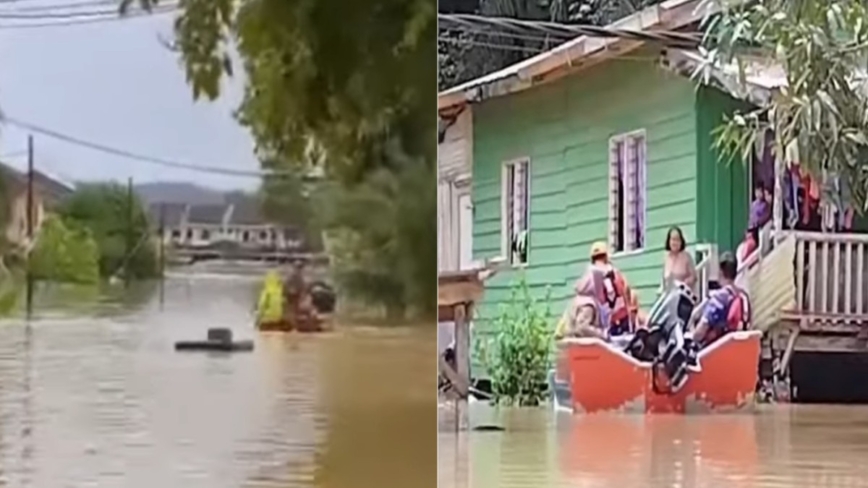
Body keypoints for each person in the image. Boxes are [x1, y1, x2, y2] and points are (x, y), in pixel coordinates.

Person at [691, 252, 751, 348]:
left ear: (720, 272)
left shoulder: (719, 298)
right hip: (739, 347)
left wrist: (693, 336)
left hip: (718, 351)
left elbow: (700, 331)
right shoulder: (743, 295)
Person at [589, 241, 634, 336]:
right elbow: (627, 289)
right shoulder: (616, 272)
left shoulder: (593, 275)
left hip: (607, 323)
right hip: (622, 317)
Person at [555, 267, 607, 340]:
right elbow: (582, 327)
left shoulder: (577, 299)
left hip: (568, 344)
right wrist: (601, 334)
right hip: (579, 346)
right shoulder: (588, 305)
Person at [661, 226, 697, 294]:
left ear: (681, 241)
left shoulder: (686, 256)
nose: (675, 242)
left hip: (683, 295)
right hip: (669, 296)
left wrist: (684, 284)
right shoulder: (666, 258)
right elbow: (663, 281)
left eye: (677, 240)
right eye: (673, 239)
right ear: (669, 241)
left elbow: (694, 277)